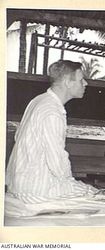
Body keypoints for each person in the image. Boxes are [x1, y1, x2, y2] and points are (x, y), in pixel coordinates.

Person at [6, 60, 97, 203]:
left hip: (18, 183)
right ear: (67, 82)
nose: (85, 83)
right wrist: (76, 186)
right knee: (96, 194)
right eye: (81, 80)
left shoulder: (38, 100)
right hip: (37, 190)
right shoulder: (52, 112)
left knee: (89, 190)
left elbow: (19, 138)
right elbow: (57, 162)